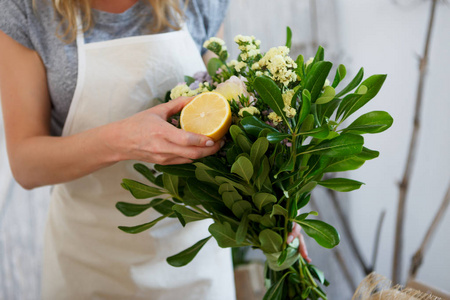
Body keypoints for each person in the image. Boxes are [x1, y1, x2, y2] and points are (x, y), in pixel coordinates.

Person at [0, 0, 309, 299]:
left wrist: (272, 210)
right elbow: (26, 164)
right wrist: (124, 140)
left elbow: (222, 106)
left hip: (195, 268)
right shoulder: (28, 9)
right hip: (88, 263)